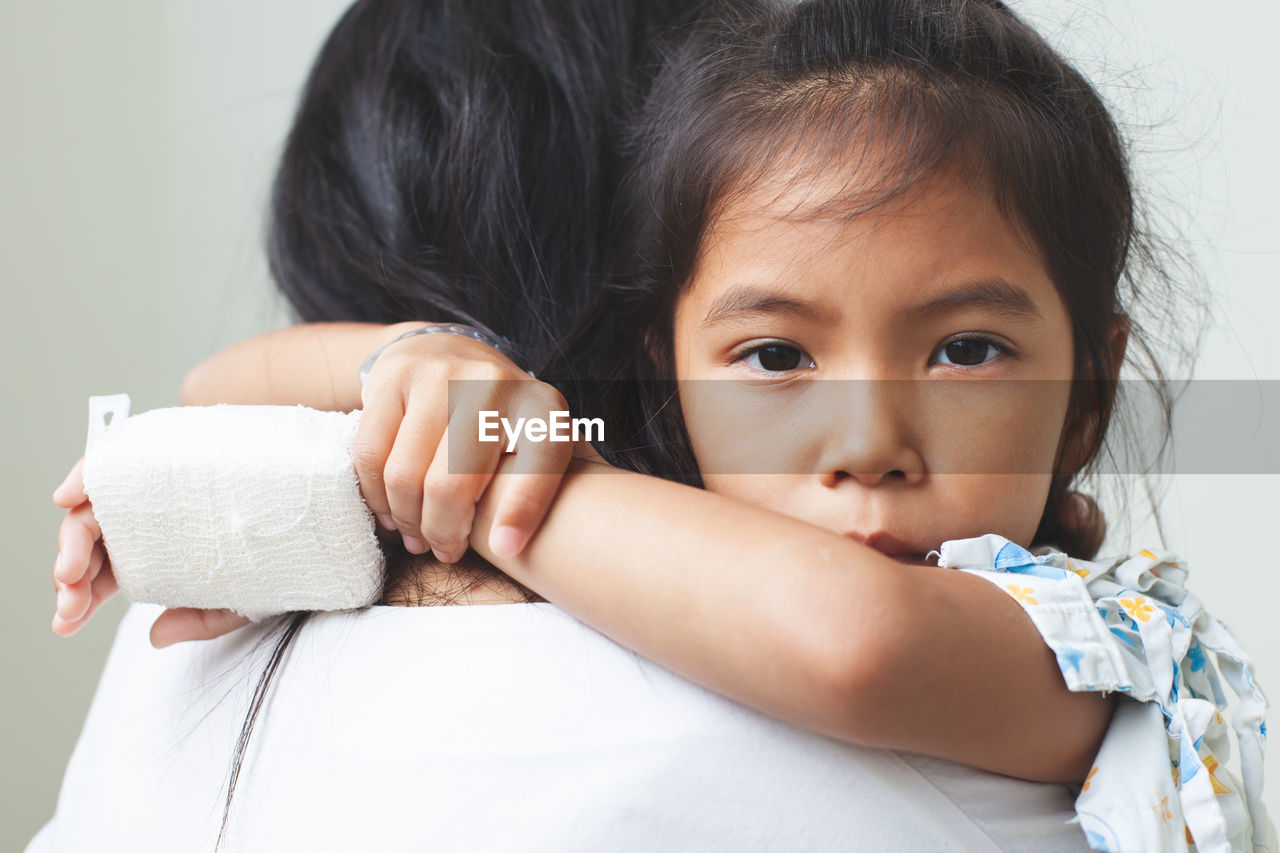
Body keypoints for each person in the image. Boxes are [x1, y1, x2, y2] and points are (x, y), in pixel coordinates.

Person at [43, 0, 1275, 850]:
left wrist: (505, 479)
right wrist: (415, 367)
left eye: (964, 350)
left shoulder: (1093, 646)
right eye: (774, 355)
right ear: (664, 375)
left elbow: (848, 638)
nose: (868, 442)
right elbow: (210, 391)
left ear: (1086, 397)